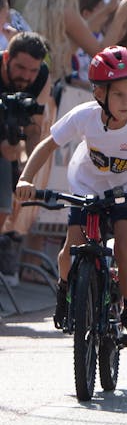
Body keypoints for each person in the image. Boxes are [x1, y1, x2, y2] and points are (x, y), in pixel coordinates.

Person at [15, 47, 127, 346]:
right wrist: (26, 178)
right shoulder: (84, 116)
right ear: (99, 94)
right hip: (87, 184)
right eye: (119, 95)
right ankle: (65, 291)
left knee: (125, 244)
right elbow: (48, 145)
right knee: (72, 245)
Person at [0, 32, 54, 279]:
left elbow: (34, 128)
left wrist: (28, 169)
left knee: (4, 208)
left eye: (32, 70)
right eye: (20, 67)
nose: (26, 76)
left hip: (10, 135)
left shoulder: (41, 77)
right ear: (6, 58)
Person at [21, 0, 103, 88]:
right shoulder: (66, 11)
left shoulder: (32, 7)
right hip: (57, 83)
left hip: (35, 79)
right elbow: (99, 51)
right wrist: (121, 15)